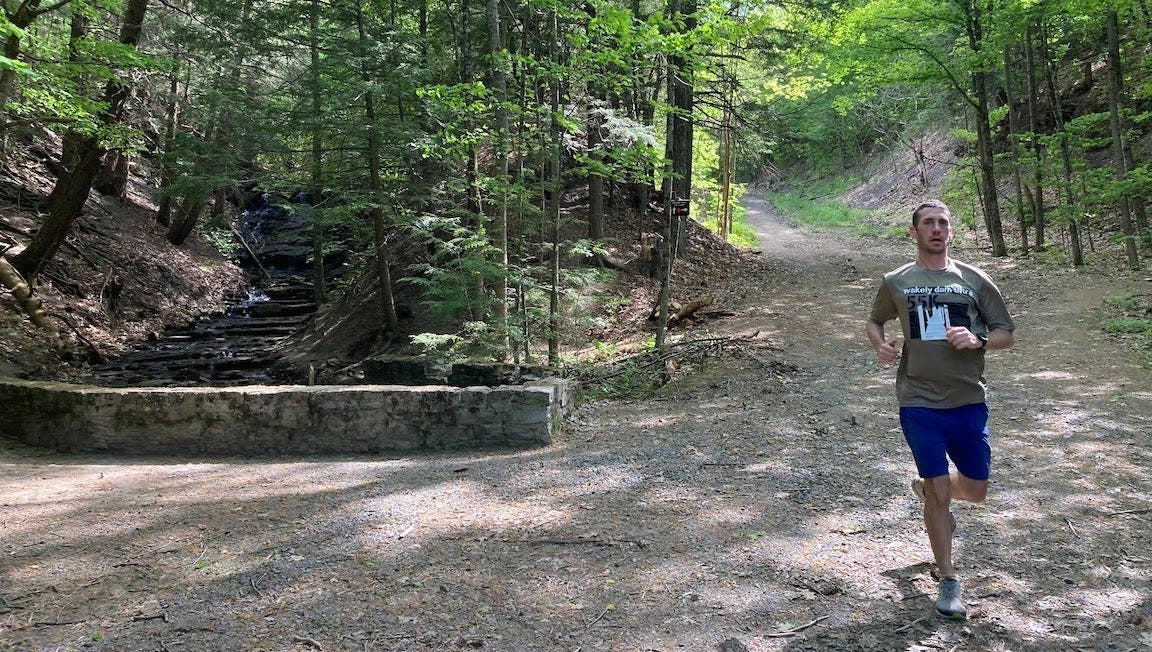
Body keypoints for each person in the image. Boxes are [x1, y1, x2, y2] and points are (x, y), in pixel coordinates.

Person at [865, 199, 1015, 620]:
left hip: (967, 398)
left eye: (942, 223)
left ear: (951, 232)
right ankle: (948, 577)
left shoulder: (975, 279)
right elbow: (875, 320)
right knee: (940, 491)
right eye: (927, 223)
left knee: (977, 490)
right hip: (918, 399)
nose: (936, 228)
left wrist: (980, 341)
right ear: (913, 233)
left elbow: (1006, 332)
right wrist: (880, 344)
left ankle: (931, 487)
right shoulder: (896, 281)